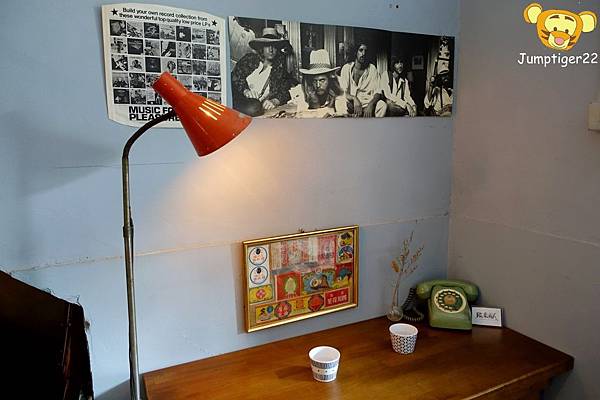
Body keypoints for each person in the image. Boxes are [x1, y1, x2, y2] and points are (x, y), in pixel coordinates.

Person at [231, 27, 293, 116]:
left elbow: (286, 91)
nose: (271, 49)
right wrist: (245, 90)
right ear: (262, 47)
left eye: (274, 46)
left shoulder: (279, 71)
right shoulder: (249, 59)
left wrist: (275, 101)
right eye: (267, 45)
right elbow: (234, 77)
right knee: (253, 107)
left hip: (255, 106)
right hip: (237, 98)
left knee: (254, 107)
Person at [338, 43, 386, 117]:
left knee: (382, 105)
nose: (363, 54)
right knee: (341, 101)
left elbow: (378, 92)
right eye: (361, 50)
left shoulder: (372, 69)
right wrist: (354, 98)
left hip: (367, 104)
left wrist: (371, 105)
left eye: (366, 51)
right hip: (352, 104)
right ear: (355, 52)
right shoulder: (346, 68)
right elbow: (343, 92)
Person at [295, 49, 346, 116]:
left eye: (322, 80)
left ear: (330, 79)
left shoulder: (338, 86)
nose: (318, 85)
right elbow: (300, 114)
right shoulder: (304, 89)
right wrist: (314, 102)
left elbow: (342, 112)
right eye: (314, 81)